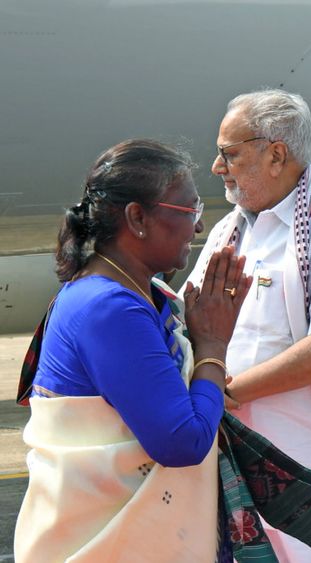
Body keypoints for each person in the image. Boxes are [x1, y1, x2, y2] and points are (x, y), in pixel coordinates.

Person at [14, 139, 252, 561]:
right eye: (190, 210)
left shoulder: (141, 293)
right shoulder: (110, 308)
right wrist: (212, 345)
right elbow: (182, 443)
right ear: (138, 218)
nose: (198, 227)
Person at [183, 89, 311, 562]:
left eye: (229, 154)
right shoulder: (229, 230)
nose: (217, 168)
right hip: (247, 461)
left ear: (276, 154)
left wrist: (222, 393)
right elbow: (191, 316)